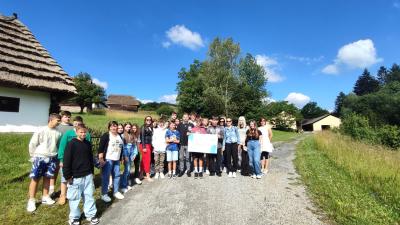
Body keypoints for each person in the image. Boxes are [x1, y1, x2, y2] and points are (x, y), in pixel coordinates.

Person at [63, 124, 99, 225]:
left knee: (89, 196)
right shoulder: (71, 144)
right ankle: (74, 217)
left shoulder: (87, 143)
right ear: (76, 132)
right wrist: (67, 176)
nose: (83, 134)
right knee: (74, 198)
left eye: (84, 132)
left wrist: (92, 172)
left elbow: (90, 159)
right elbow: (66, 161)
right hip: (75, 176)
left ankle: (91, 214)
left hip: (87, 175)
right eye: (81, 132)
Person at [26, 113, 62, 212]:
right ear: (51, 120)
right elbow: (33, 143)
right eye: (57, 120)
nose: (59, 122)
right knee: (35, 178)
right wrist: (33, 156)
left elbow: (58, 146)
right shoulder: (40, 130)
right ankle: (31, 200)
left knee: (48, 177)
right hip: (40, 157)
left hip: (52, 157)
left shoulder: (58, 133)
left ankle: (45, 196)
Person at [57, 116, 92, 205]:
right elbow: (62, 146)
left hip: (81, 162)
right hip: (68, 158)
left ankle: (79, 194)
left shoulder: (86, 134)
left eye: (79, 123)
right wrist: (61, 159)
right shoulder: (68, 133)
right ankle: (63, 195)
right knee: (65, 178)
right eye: (75, 123)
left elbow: (87, 147)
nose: (77, 124)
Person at [98, 121, 124, 202]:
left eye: (115, 126)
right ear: (109, 127)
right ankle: (104, 194)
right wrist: (101, 158)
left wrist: (121, 157)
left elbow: (121, 147)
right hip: (108, 159)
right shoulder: (106, 135)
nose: (114, 128)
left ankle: (115, 192)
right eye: (112, 126)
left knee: (117, 175)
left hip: (116, 159)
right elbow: (101, 148)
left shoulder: (119, 135)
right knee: (106, 177)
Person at [51, 110, 73, 196]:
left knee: (66, 171)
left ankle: (66, 189)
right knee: (54, 170)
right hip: (56, 151)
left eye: (68, 117)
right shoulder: (57, 126)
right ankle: (51, 188)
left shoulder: (72, 127)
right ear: (61, 117)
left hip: (67, 153)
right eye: (65, 117)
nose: (67, 118)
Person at [120, 122, 138, 193]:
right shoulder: (122, 135)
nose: (128, 128)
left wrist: (134, 154)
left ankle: (127, 183)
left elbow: (134, 145)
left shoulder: (132, 135)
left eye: (129, 127)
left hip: (131, 153)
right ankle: (123, 186)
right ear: (124, 127)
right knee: (126, 170)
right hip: (126, 153)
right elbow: (123, 147)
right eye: (127, 127)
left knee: (129, 169)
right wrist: (125, 156)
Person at [139, 116, 154, 182]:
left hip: (149, 145)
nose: (149, 120)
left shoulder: (150, 127)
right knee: (148, 160)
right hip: (144, 145)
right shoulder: (143, 127)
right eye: (147, 119)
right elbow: (142, 137)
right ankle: (148, 176)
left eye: (150, 120)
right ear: (145, 120)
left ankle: (141, 174)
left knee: (143, 160)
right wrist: (144, 147)